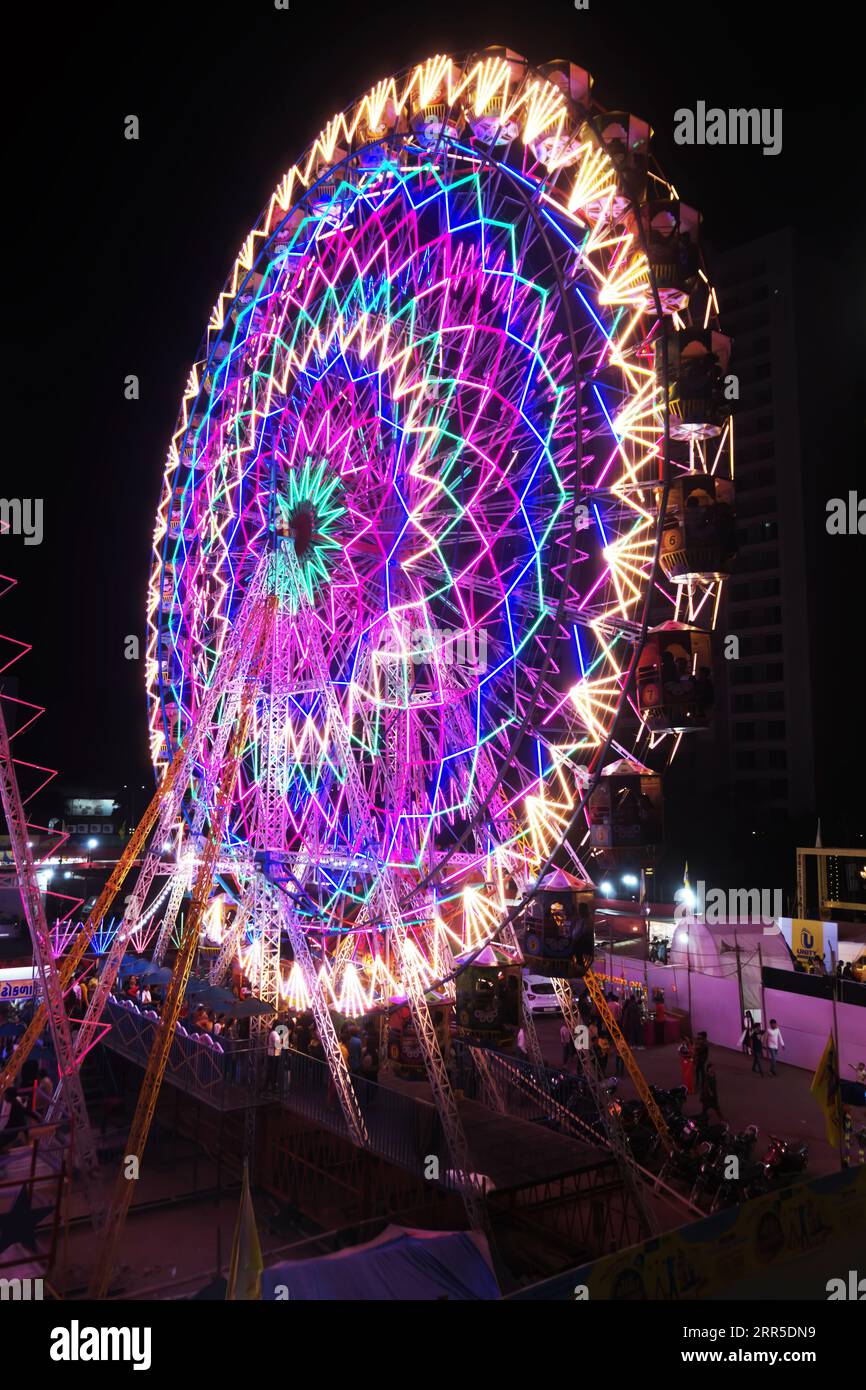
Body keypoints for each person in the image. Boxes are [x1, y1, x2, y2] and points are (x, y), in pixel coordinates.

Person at [266, 1020, 282, 1090]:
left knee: (270, 1070)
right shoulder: (275, 1034)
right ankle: (273, 1087)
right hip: (274, 1054)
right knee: (273, 1071)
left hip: (271, 1053)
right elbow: (277, 1045)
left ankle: (268, 1086)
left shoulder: (272, 1033)